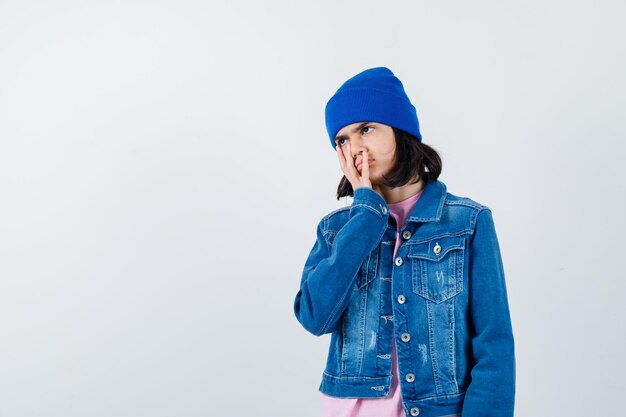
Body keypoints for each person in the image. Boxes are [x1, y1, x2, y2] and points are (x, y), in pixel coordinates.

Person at [293, 67, 515, 417]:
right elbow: (314, 317)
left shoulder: (467, 222)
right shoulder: (336, 229)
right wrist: (366, 214)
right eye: (342, 140)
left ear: (400, 127)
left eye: (366, 129)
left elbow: (494, 346)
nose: (355, 148)